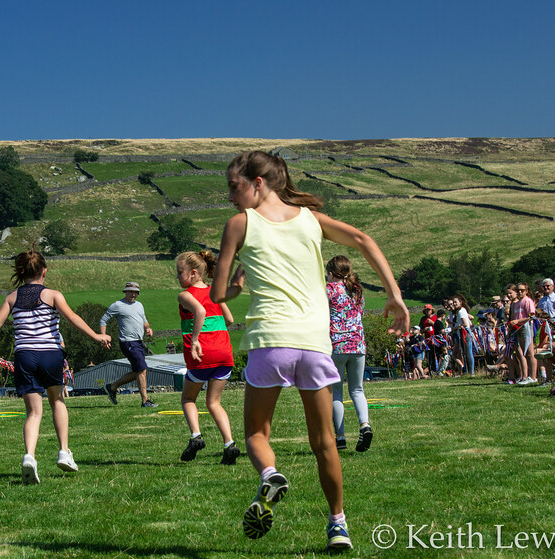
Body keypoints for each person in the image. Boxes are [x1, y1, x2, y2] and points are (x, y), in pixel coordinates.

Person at [210, 151, 408, 551]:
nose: (230, 197)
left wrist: (240, 282)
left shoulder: (239, 224)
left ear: (259, 183)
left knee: (255, 433)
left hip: (270, 342)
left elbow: (217, 294)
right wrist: (395, 296)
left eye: (234, 187)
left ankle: (269, 476)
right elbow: (364, 240)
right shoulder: (311, 220)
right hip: (316, 344)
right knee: (325, 443)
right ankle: (338, 524)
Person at [0, 248, 111, 484]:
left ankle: (29, 457)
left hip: (25, 356)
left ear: (21, 272)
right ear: (44, 271)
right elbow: (72, 318)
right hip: (50, 354)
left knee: (33, 412)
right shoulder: (53, 295)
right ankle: (64, 451)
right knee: (57, 400)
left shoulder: (11, 298)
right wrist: (96, 336)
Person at [174, 250, 240, 465]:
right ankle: (229, 443)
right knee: (214, 402)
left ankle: (195, 436)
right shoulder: (215, 292)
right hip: (223, 353)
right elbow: (229, 319)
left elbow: (200, 311)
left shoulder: (185, 295)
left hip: (201, 354)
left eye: (179, 272)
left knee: (188, 399)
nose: (177, 276)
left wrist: (195, 339)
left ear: (193, 274)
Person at [326, 255, 373, 452]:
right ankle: (365, 425)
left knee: (336, 392)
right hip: (358, 345)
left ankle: (341, 437)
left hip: (337, 345)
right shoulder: (356, 291)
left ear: (330, 273)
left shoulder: (328, 290)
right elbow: (360, 313)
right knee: (357, 389)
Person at [101, 282, 157, 407]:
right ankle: (145, 401)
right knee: (142, 369)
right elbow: (103, 320)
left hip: (138, 341)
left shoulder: (139, 305)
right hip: (127, 342)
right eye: (130, 291)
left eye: (135, 292)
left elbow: (144, 321)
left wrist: (148, 328)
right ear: (125, 291)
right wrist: (103, 337)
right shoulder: (118, 305)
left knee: (138, 371)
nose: (133, 294)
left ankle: (113, 387)